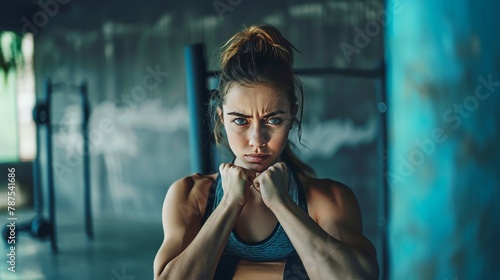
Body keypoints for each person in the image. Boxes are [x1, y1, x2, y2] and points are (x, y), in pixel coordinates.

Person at [153, 24, 379, 280]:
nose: (257, 140)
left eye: (273, 120)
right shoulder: (190, 196)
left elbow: (355, 278)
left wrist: (282, 204)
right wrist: (229, 203)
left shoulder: (327, 199)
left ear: (292, 116)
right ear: (222, 119)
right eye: (240, 121)